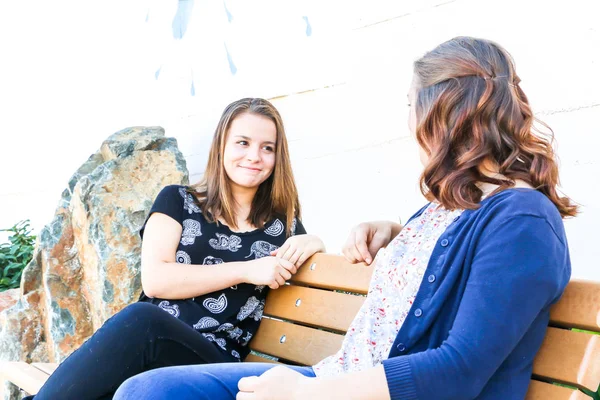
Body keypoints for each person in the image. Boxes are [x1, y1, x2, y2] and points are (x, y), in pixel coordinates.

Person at [113, 37, 578, 400]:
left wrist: (311, 392)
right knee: (146, 390)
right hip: (337, 376)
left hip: (345, 389)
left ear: (444, 117)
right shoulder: (456, 205)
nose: (411, 124)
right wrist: (396, 234)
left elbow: (459, 370)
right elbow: (457, 259)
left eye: (413, 108)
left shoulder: (523, 218)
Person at [28, 98, 325, 400]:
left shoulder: (282, 229)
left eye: (267, 148)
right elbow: (156, 280)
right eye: (243, 143)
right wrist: (248, 270)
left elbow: (315, 259)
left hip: (213, 364)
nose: (254, 156)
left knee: (142, 321)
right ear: (221, 146)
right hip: (150, 352)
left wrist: (314, 241)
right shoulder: (178, 201)